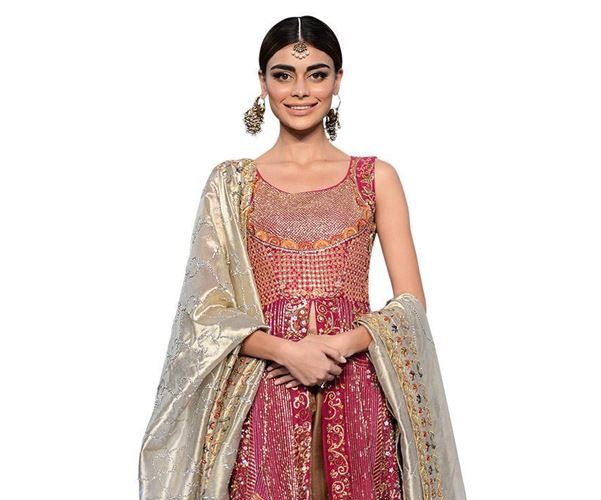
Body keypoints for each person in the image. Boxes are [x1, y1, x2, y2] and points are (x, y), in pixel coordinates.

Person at [139, 16, 466, 500]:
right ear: (262, 83)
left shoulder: (375, 178)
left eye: (316, 74)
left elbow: (411, 304)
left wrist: (339, 346)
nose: (299, 90)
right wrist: (288, 352)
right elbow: (203, 313)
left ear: (338, 81)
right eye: (283, 75)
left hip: (358, 386)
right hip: (263, 390)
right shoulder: (232, 184)